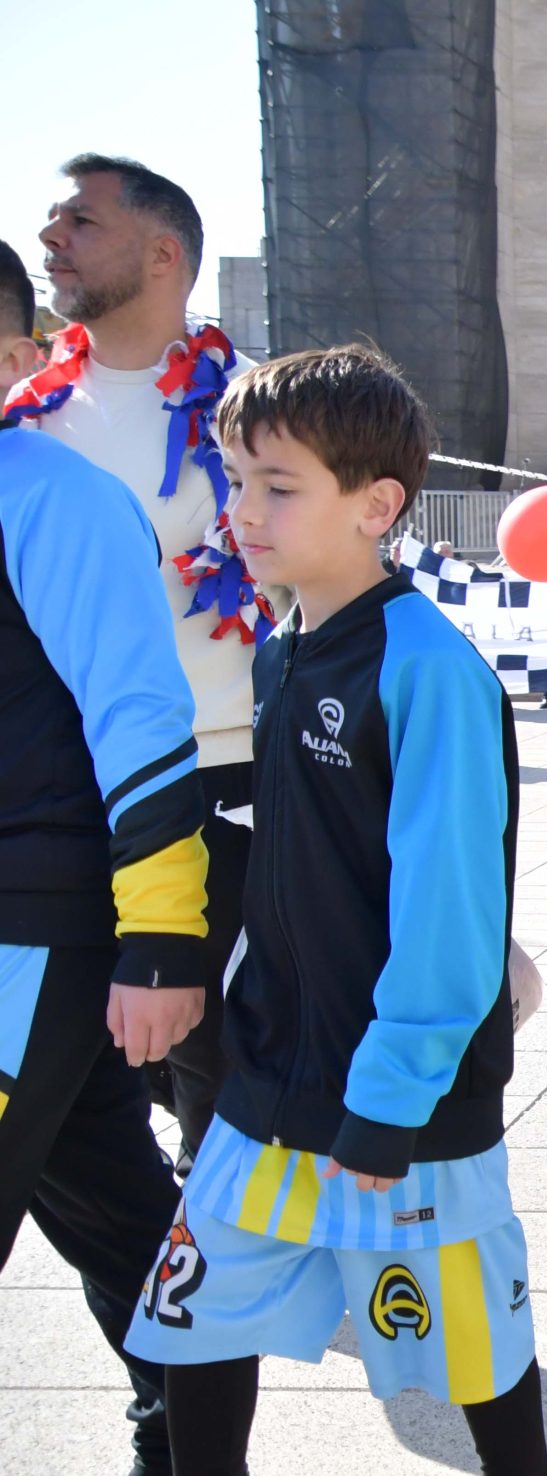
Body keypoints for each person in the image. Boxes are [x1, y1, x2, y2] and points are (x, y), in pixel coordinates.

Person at [33, 347, 547, 1476]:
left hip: (399, 1094)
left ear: (377, 504)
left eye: (278, 486)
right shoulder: (282, 651)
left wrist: (392, 1094)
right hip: (269, 1072)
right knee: (193, 1311)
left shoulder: (428, 668)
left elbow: (448, 912)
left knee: (464, 1321)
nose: (244, 510)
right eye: (237, 479)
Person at [0, 240, 263, 1476]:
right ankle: (191, 1460)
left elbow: (142, 717)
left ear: (12, 353)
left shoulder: (48, 495)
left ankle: (191, 1467)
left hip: (30, 922)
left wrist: (162, 944)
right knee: (104, 1189)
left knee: (100, 1179)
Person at [12, 155, 250, 1167]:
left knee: (218, 1093)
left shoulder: (252, 410)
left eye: (81, 220)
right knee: (81, 1119)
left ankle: (213, 1253)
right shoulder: (24, 414)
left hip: (216, 790)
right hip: (53, 815)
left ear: (162, 255)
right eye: (51, 218)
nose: (51, 237)